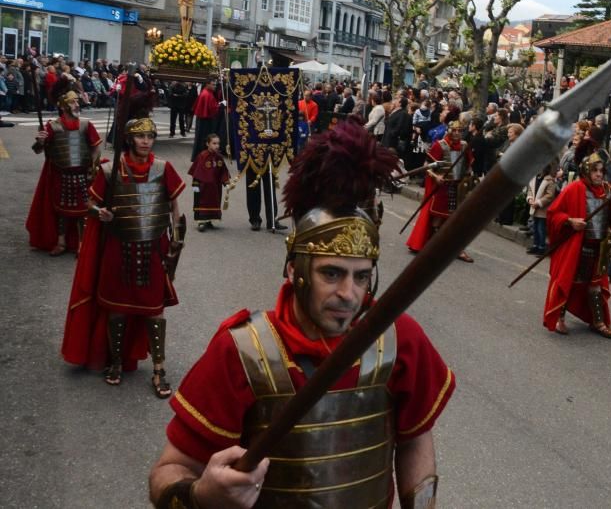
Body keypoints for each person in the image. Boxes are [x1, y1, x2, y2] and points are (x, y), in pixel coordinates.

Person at [149, 119, 454, 509]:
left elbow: (414, 437)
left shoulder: (399, 339)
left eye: (361, 276)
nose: (349, 294)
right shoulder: (240, 352)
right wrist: (201, 494)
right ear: (294, 270)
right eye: (332, 273)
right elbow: (169, 470)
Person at [61, 112, 185, 397]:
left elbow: (175, 208)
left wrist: (176, 243)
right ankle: (116, 361)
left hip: (153, 246)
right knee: (117, 308)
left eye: (150, 136)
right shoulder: (109, 171)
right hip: (120, 246)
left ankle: (158, 369)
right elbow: (90, 202)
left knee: (154, 310)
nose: (146, 141)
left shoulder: (164, 168)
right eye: (141, 136)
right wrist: (99, 212)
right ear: (129, 139)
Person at [543, 153, 611, 338]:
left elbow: (610, 219)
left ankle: (598, 322)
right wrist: (570, 221)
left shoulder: (608, 189)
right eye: (595, 171)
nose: (599, 174)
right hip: (578, 246)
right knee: (569, 281)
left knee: (595, 286)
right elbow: (553, 214)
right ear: (586, 171)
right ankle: (560, 318)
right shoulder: (574, 189)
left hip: (599, 247)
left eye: (601, 171)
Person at [26, 77, 101, 255]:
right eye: (72, 101)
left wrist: (93, 167)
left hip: (82, 174)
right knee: (61, 209)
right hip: (61, 174)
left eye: (77, 101)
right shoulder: (53, 126)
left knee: (83, 209)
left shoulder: (85, 125)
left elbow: (96, 147)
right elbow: (38, 150)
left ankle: (82, 243)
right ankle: (60, 242)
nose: (77, 105)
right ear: (62, 105)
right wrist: (40, 141)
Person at [406, 120, 474, 262]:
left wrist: (468, 175)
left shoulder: (464, 146)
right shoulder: (439, 145)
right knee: (438, 218)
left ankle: (457, 248)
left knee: (457, 219)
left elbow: (468, 165)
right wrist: (436, 176)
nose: (456, 133)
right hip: (442, 188)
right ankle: (436, 245)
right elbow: (427, 166)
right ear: (448, 130)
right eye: (454, 130)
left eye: (459, 131)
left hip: (458, 187)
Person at [188, 134, 230, 232]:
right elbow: (196, 171)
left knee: (214, 202)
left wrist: (226, 182)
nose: (217, 146)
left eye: (218, 143)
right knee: (202, 203)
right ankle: (201, 221)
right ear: (208, 144)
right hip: (203, 187)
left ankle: (209, 220)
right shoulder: (202, 156)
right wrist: (195, 184)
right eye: (214, 143)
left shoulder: (219, 157)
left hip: (215, 187)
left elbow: (223, 171)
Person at [526, 161, 558, 255]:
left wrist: (539, 203)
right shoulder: (535, 178)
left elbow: (550, 195)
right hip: (534, 207)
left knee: (541, 228)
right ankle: (535, 245)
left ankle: (541, 247)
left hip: (543, 209)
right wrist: (530, 199)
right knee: (535, 227)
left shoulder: (550, 181)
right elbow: (530, 190)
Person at [191, 78, 223, 162]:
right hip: (205, 121)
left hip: (203, 119)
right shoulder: (207, 94)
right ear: (207, 84)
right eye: (213, 84)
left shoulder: (206, 92)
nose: (215, 86)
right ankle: (202, 158)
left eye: (215, 85)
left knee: (200, 138)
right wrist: (220, 105)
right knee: (203, 139)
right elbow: (212, 108)